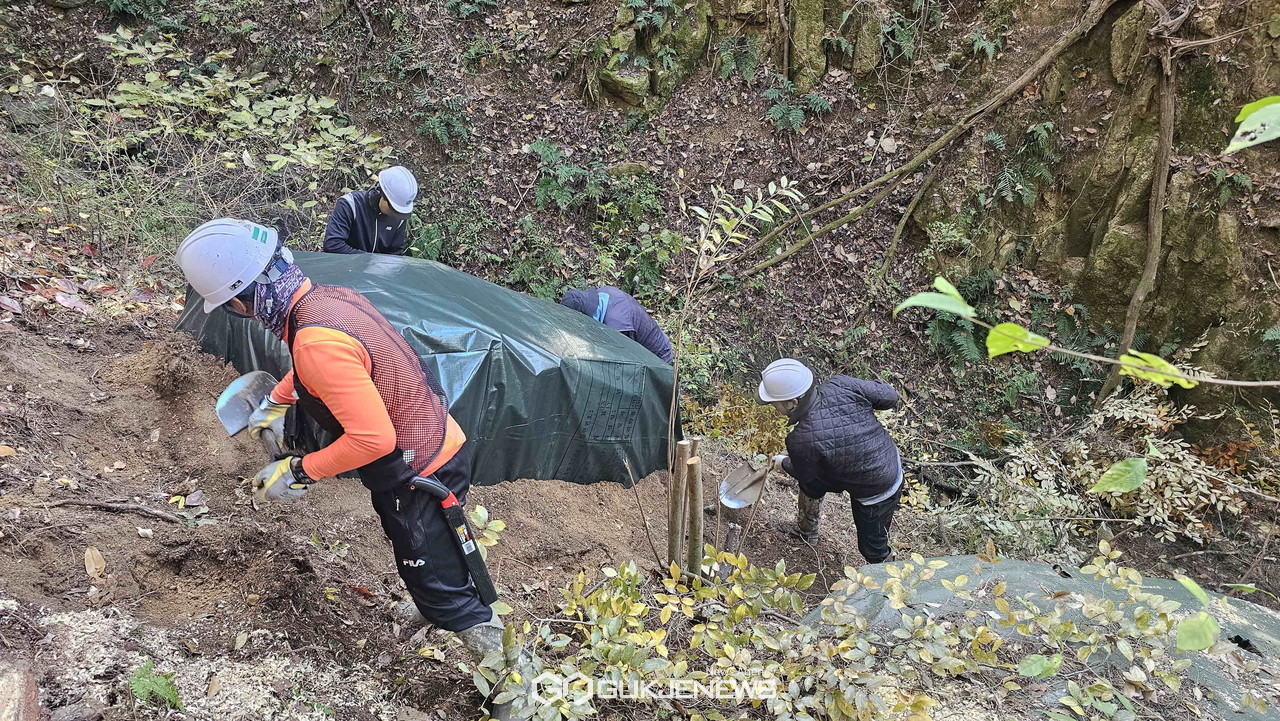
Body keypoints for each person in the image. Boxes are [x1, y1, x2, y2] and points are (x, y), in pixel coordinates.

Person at [175, 218, 526, 719]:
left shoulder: (314, 340)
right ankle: (432, 597)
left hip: (419, 476)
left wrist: (299, 471)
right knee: (432, 555)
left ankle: (517, 690)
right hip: (440, 441)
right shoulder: (329, 300)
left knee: (444, 585)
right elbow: (334, 361)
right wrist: (278, 398)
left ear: (238, 302)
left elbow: (372, 438)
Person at [759, 358, 903, 564]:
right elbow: (889, 397)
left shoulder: (801, 439)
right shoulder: (841, 384)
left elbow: (806, 474)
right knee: (812, 484)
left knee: (872, 549)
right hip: (887, 458)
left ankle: (890, 577)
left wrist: (784, 463)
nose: (773, 408)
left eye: (774, 404)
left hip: (877, 489)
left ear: (793, 403)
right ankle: (806, 531)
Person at [560, 286, 674, 364]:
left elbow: (618, 363)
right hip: (646, 338)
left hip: (658, 357)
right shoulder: (605, 291)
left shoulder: (614, 327)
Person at [323, 165, 417, 255]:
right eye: (393, 209)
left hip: (379, 270)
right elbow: (333, 245)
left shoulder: (399, 217)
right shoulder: (350, 205)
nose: (395, 215)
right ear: (381, 195)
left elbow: (395, 254)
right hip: (346, 267)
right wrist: (369, 260)